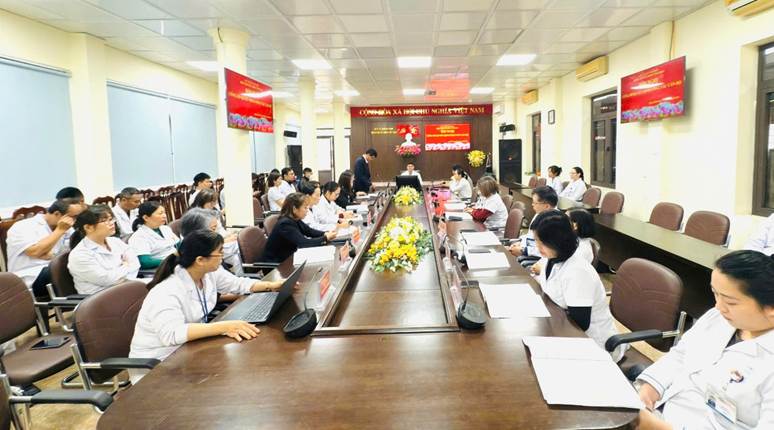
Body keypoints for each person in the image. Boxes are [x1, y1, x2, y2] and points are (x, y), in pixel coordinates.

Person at [635, 250, 774, 429]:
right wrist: (650, 389)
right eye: (715, 293)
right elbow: (680, 355)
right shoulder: (718, 317)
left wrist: (659, 427)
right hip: (664, 410)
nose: (718, 306)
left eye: (730, 302)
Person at [128, 230, 285, 378]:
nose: (223, 256)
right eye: (220, 252)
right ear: (200, 260)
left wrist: (271, 285)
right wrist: (224, 327)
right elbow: (172, 334)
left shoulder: (208, 273)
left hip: (191, 349)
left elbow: (237, 284)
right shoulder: (167, 290)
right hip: (159, 364)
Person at [533, 212, 624, 361]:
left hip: (592, 342)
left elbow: (580, 324)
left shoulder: (578, 271)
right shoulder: (552, 258)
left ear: (558, 241)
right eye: (536, 240)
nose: (538, 247)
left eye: (542, 242)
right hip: (559, 326)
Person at [6, 198, 84, 295]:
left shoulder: (68, 227)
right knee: (67, 270)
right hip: (31, 276)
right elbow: (36, 252)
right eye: (74, 217)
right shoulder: (23, 227)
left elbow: (74, 251)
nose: (75, 221)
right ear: (57, 214)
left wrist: (50, 254)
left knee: (84, 263)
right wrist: (60, 230)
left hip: (53, 268)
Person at [68, 205, 140, 295]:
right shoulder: (80, 254)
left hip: (126, 287)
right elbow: (107, 279)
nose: (111, 223)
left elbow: (136, 264)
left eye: (111, 219)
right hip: (101, 297)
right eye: (104, 221)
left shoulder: (115, 241)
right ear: (88, 227)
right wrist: (125, 266)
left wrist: (121, 274)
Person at [263, 193, 337, 264]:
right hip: (277, 265)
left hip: (289, 258)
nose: (307, 210)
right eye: (305, 207)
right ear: (294, 209)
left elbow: (309, 231)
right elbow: (304, 243)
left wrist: (325, 233)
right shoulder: (285, 224)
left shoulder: (295, 218)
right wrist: (325, 238)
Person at [189, 190, 242, 275]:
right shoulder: (196, 217)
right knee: (241, 246)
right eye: (211, 202)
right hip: (209, 247)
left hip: (219, 242)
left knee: (238, 256)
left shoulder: (213, 212)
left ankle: (240, 277)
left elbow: (220, 230)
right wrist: (224, 240)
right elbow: (204, 240)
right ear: (202, 201)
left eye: (214, 202)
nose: (213, 205)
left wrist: (230, 235)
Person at [509, 186, 560, 258]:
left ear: (547, 206)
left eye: (534, 203)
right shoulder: (539, 213)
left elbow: (551, 251)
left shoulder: (556, 222)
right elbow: (530, 236)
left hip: (541, 259)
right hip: (529, 250)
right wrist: (520, 242)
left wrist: (524, 250)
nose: (532, 205)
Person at [128, 201, 179, 269]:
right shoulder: (139, 237)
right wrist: (171, 261)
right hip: (160, 268)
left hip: (175, 262)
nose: (164, 216)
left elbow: (179, 245)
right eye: (160, 213)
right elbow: (145, 262)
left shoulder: (166, 229)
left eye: (164, 213)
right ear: (146, 217)